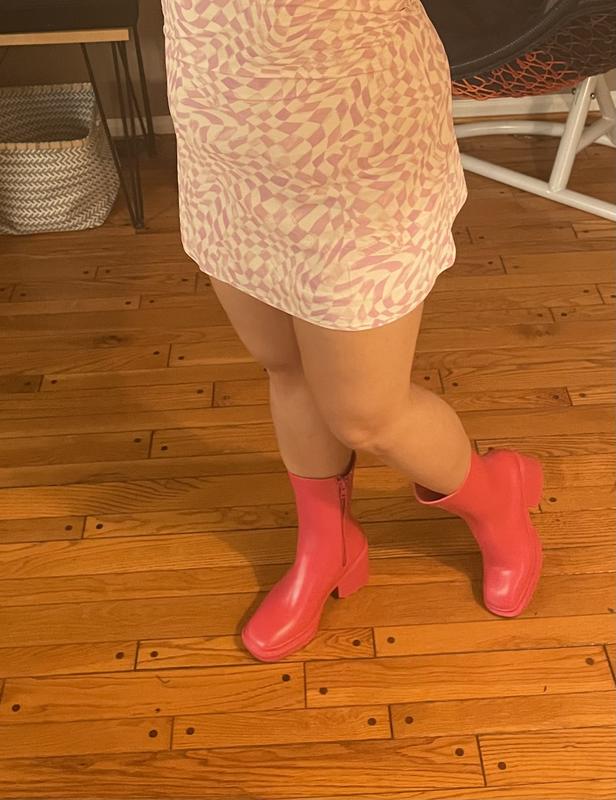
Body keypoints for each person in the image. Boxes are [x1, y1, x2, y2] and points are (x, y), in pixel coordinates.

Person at [161, 0, 543, 663]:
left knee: (368, 413)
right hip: (220, 123)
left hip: (356, 132)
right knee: (284, 365)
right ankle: (327, 545)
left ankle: (495, 501)